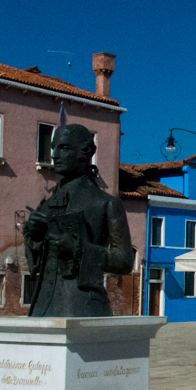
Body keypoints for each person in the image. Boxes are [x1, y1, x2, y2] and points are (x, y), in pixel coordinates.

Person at [22, 124, 132, 317]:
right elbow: (37, 265)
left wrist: (77, 249)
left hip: (84, 308)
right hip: (41, 309)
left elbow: (124, 262)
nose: (55, 155)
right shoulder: (46, 206)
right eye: (53, 148)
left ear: (85, 152)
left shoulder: (106, 203)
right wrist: (34, 237)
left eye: (63, 148)